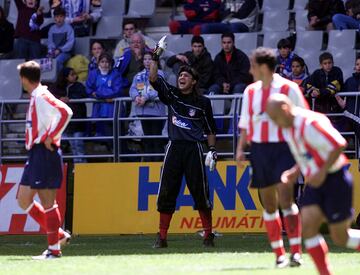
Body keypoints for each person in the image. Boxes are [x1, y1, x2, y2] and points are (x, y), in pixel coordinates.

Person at [266, 93, 360, 275]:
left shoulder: (310, 123)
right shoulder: (288, 127)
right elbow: (305, 154)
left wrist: (322, 171)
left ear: (285, 110)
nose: (274, 123)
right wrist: (294, 172)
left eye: (274, 118)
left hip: (335, 180)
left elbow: (339, 144)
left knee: (341, 237)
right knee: (308, 228)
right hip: (316, 183)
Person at [236, 47, 309, 267]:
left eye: (252, 65)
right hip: (259, 151)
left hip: (285, 148)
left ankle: (296, 252)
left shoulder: (289, 88)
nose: (250, 70)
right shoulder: (250, 91)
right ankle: (278, 254)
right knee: (268, 205)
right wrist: (241, 149)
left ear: (263, 67)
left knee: (287, 200)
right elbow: (246, 124)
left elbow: (303, 117)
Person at [149, 47, 218, 248]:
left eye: (186, 75)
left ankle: (208, 235)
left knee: (200, 192)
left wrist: (212, 150)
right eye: (180, 74)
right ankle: (162, 237)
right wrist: (156, 56)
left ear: (194, 81)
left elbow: (211, 129)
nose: (182, 77)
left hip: (195, 149)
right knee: (167, 192)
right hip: (174, 148)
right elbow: (153, 77)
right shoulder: (171, 94)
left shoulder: (203, 103)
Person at [16, 61, 73, 259]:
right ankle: (58, 235)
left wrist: (52, 135)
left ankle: (54, 250)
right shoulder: (37, 96)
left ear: (24, 78)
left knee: (48, 202)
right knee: (23, 199)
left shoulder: (41, 95)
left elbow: (66, 111)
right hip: (35, 153)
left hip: (44, 152)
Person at [129, 52, 166, 161]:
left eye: (150, 59)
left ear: (155, 61)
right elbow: (132, 89)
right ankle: (150, 161)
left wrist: (145, 97)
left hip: (156, 112)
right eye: (145, 59)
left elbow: (158, 89)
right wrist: (136, 97)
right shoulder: (138, 75)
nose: (147, 61)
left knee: (156, 139)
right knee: (147, 139)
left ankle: (158, 162)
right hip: (143, 112)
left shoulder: (160, 74)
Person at [86, 52, 126, 144]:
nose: (105, 64)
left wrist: (98, 93)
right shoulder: (93, 74)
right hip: (99, 111)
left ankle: (122, 157)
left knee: (118, 139)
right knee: (106, 139)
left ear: (111, 63)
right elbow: (89, 89)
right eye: (102, 62)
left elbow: (117, 91)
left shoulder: (116, 74)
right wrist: (100, 94)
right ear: (98, 63)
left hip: (114, 111)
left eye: (107, 62)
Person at [50, 67, 87, 163]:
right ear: (65, 77)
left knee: (79, 145)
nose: (75, 76)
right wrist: (59, 98)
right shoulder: (57, 87)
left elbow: (82, 95)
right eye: (72, 74)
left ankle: (83, 169)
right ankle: (77, 169)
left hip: (78, 121)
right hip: (66, 123)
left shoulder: (79, 86)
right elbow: (49, 96)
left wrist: (69, 98)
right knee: (73, 147)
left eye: (75, 74)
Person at [304, 52, 344, 129]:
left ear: (333, 63)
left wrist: (319, 92)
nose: (328, 65)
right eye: (325, 63)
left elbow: (334, 87)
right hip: (320, 109)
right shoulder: (316, 73)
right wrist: (312, 91)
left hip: (335, 108)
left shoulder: (337, 71)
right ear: (321, 65)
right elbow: (308, 85)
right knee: (322, 131)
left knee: (336, 131)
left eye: (329, 63)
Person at [47, 7, 75, 72]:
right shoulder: (52, 29)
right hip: (54, 51)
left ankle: (60, 78)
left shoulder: (69, 28)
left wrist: (60, 50)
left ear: (64, 17)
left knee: (58, 61)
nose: (59, 19)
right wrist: (52, 51)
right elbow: (50, 42)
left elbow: (70, 43)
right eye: (57, 17)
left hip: (66, 52)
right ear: (54, 18)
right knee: (46, 60)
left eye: (61, 16)